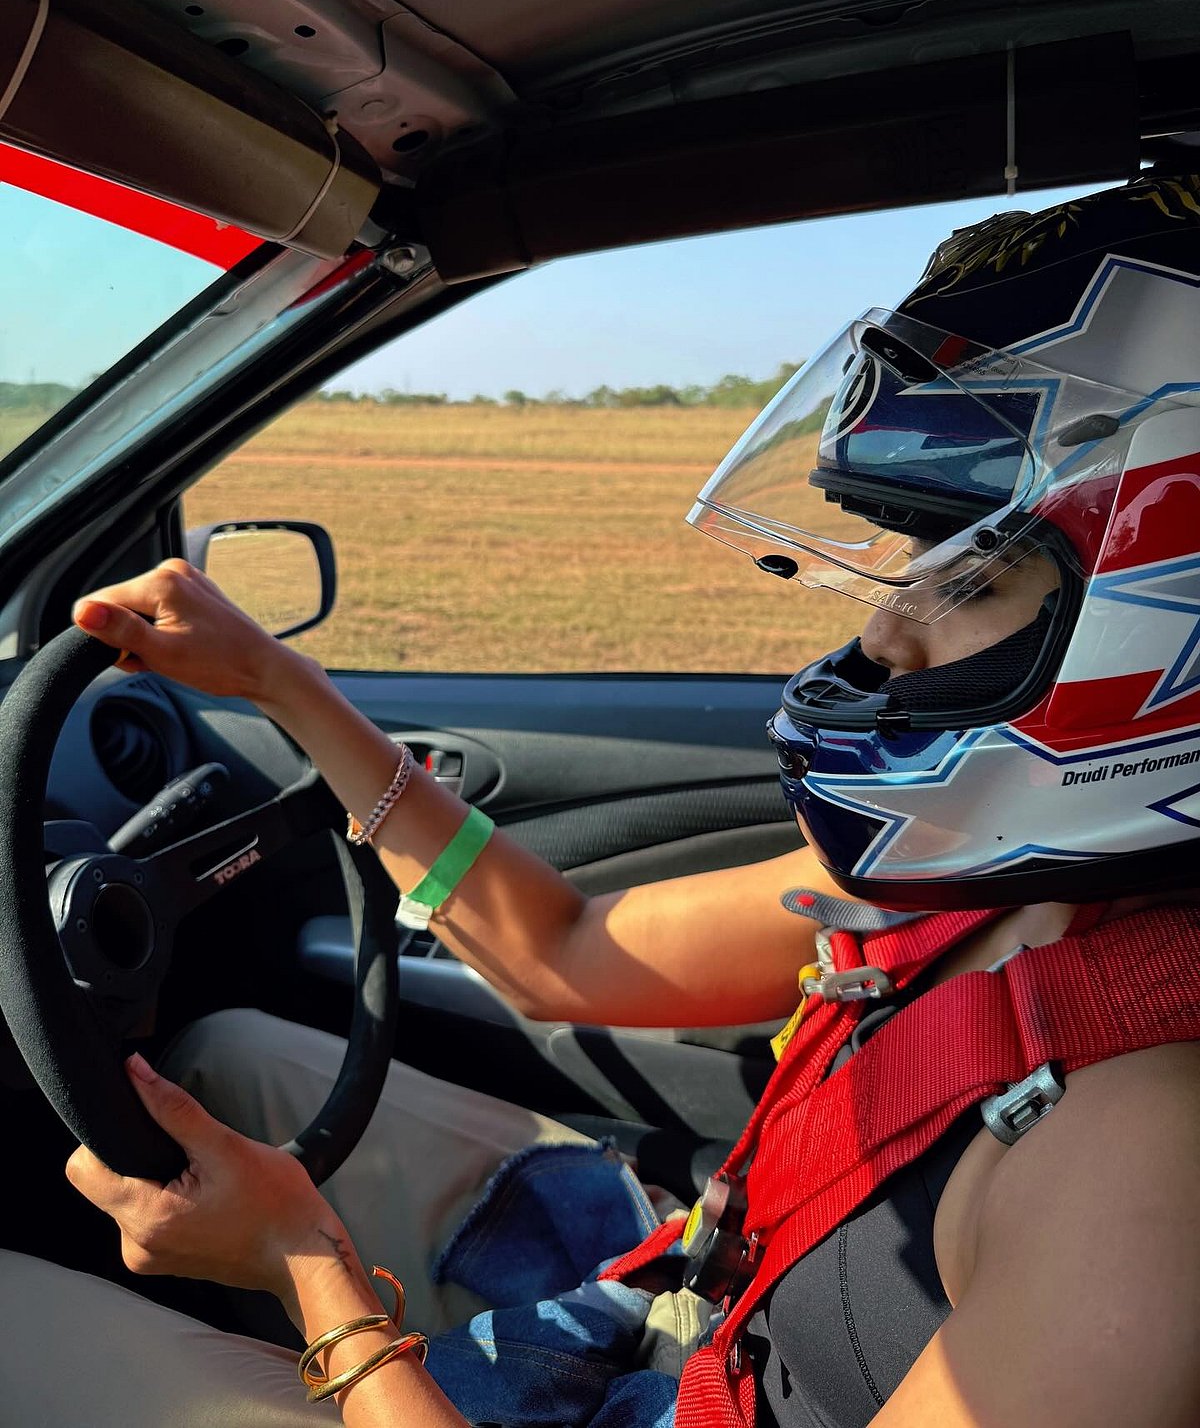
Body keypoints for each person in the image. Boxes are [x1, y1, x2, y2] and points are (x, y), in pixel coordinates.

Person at [4, 172, 1200, 1428]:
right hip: (690, 1302)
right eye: (916, 557)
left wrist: (301, 1267)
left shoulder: (1144, 1193)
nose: (884, 632)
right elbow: (562, 953)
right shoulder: (965, 874)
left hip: (678, 1384)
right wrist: (276, 680)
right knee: (224, 1057)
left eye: (976, 578)